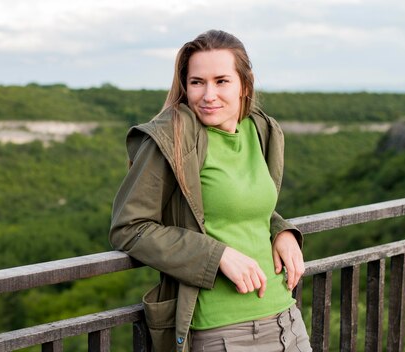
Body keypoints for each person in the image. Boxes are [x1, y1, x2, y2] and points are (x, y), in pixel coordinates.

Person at [109, 30, 312, 352]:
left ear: (245, 83)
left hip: (286, 318)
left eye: (221, 81)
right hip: (222, 332)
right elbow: (129, 229)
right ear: (184, 85)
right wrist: (216, 255)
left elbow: (242, 205)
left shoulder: (262, 130)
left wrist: (281, 229)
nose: (208, 95)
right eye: (197, 82)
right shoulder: (172, 139)